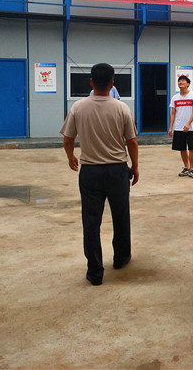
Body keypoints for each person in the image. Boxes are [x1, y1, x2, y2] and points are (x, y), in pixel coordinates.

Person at [60, 63, 139, 286]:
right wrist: (135, 166)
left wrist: (70, 156)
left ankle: (95, 271)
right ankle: (121, 258)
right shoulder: (122, 108)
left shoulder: (78, 107)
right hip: (117, 171)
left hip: (90, 172)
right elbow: (132, 141)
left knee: (91, 221)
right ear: (112, 83)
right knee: (121, 217)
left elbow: (68, 138)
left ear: (91, 82)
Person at [168, 75, 193, 179]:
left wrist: (188, 124)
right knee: (182, 149)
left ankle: (192, 169)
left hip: (190, 128)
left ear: (188, 84)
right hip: (178, 127)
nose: (180, 82)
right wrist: (170, 128)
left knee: (192, 148)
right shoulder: (175, 98)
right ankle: (186, 167)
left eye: (183, 81)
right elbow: (173, 114)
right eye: (179, 81)